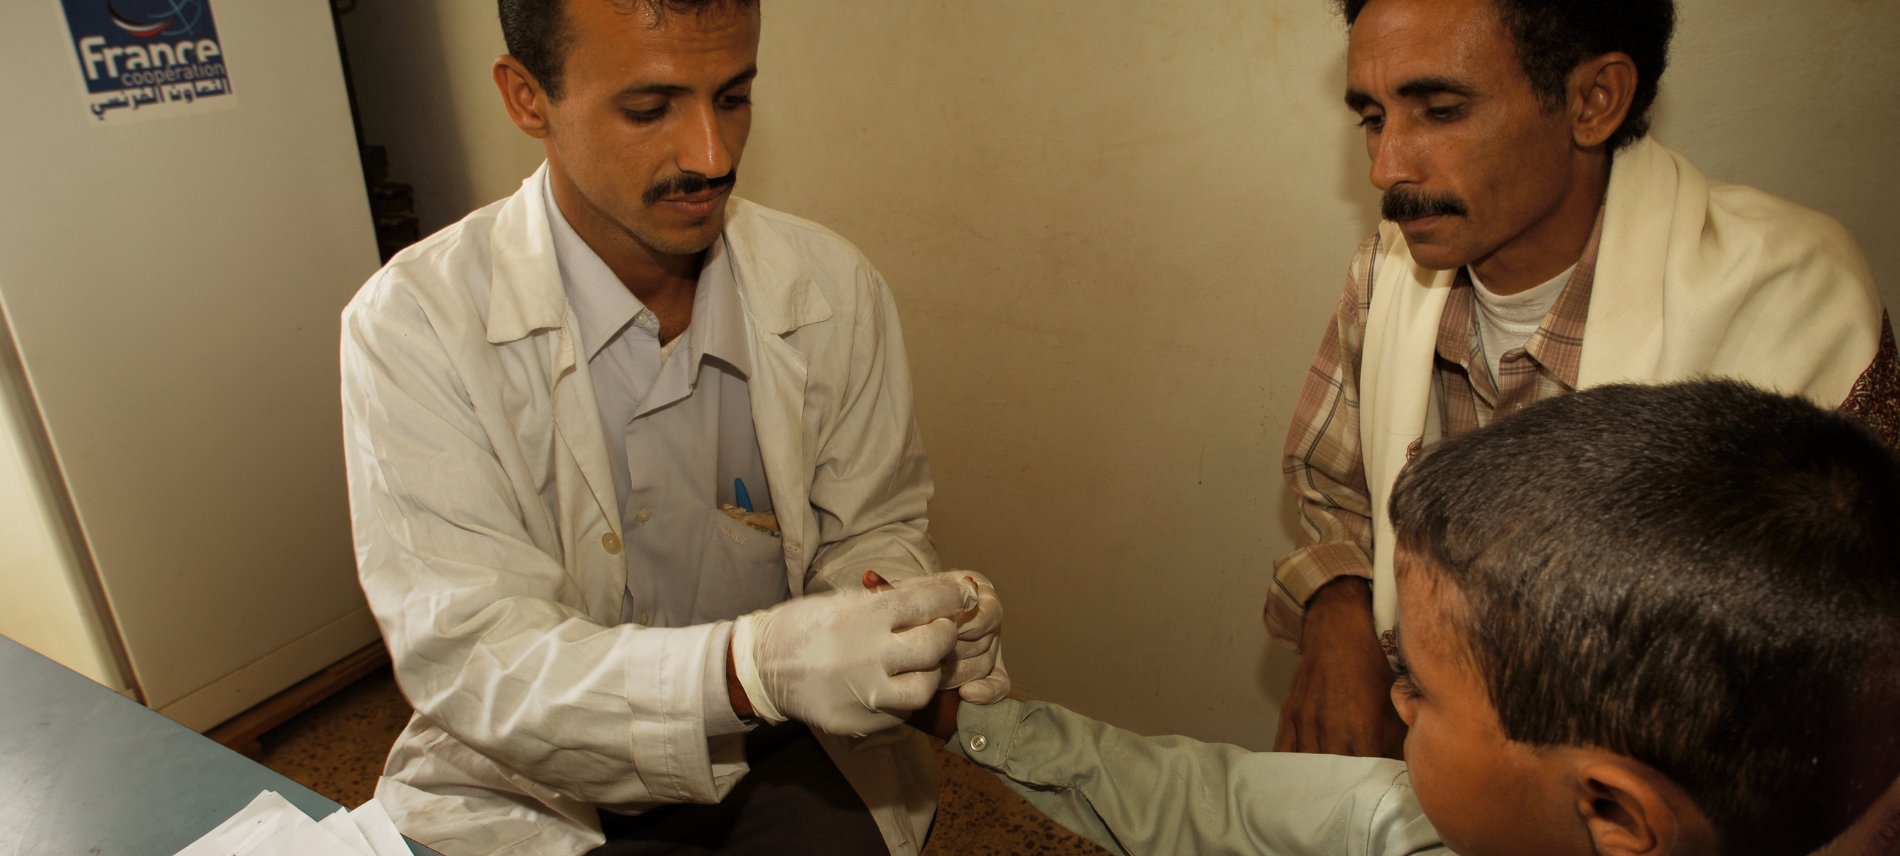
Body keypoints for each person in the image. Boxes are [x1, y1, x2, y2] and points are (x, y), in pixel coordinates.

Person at [339, 1, 1005, 854]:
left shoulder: (834, 289)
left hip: (790, 750)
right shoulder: (414, 327)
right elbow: (482, 664)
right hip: (535, 780)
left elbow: (872, 525)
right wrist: (747, 669)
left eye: (733, 97)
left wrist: (908, 620)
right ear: (526, 97)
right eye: (649, 110)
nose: (712, 157)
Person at [1269, 0, 1900, 759]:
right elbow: (1333, 485)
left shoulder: (1788, 297)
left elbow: (1836, 660)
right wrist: (1340, 611)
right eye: (1374, 118)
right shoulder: (1386, 275)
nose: (1387, 167)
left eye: (1439, 110)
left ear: (1593, 101)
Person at [930, 380, 1900, 856]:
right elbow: (1219, 800)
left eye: (1421, 692)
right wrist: (973, 724)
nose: (1389, 698)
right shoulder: (1473, 823)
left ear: (1610, 811)